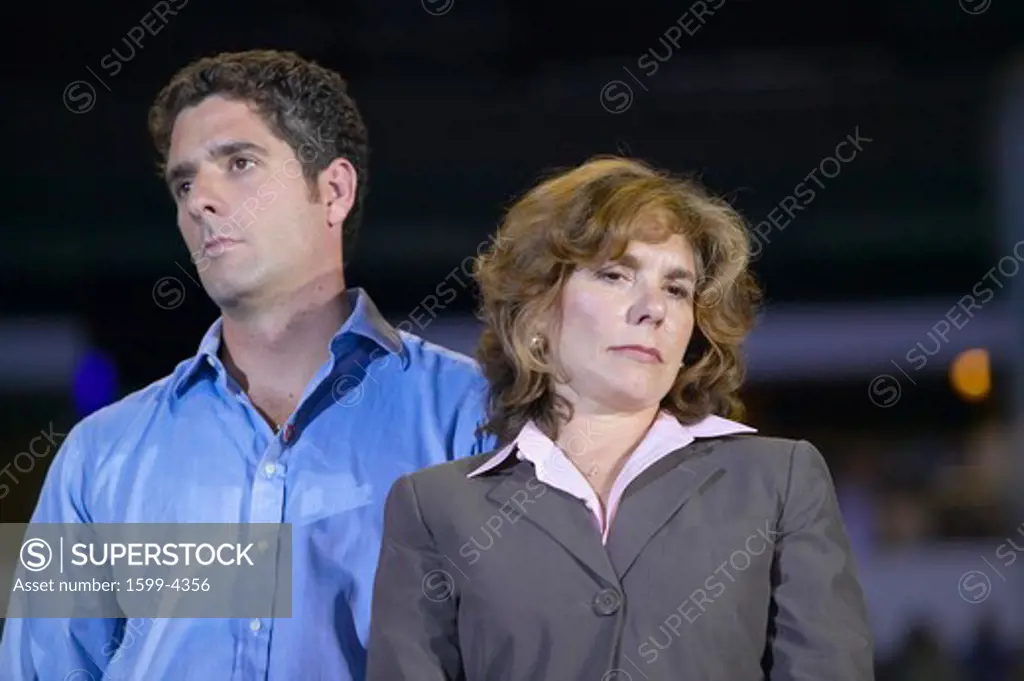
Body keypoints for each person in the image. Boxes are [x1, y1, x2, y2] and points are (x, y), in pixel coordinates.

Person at [0, 50, 493, 680]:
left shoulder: (472, 418)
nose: (201, 200)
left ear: (334, 190)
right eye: (184, 183)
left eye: (239, 163)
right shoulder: (99, 455)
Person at [366, 156, 875, 680]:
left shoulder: (778, 481)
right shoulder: (434, 508)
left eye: (676, 289)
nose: (652, 307)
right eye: (615, 275)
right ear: (537, 309)